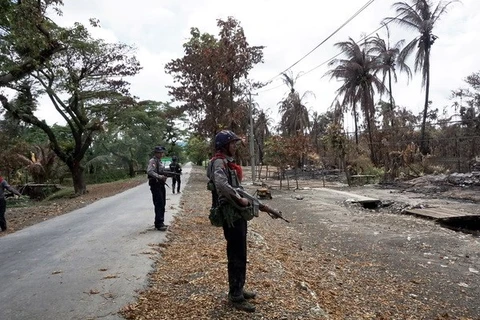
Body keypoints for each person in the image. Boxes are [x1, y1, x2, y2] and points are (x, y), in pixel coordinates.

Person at [206, 130, 257, 313]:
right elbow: (221, 184)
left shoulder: (226, 162)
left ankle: (239, 287)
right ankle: (235, 295)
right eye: (233, 143)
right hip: (231, 214)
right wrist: (239, 199)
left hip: (236, 214)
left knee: (240, 252)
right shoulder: (219, 162)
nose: (235, 146)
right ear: (224, 145)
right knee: (236, 254)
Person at [147, 146, 168, 231]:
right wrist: (159, 177)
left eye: (162, 152)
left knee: (163, 203)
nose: (161, 154)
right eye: (159, 153)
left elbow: (160, 171)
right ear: (155, 153)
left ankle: (160, 222)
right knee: (159, 203)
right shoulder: (153, 161)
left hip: (160, 184)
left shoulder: (159, 162)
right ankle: (159, 224)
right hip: (155, 184)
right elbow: (150, 171)